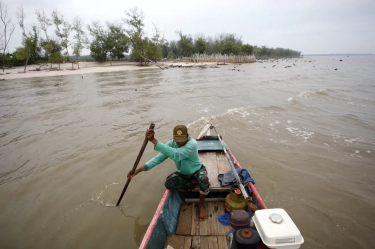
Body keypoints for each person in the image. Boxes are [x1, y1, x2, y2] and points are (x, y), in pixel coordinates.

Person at [127, 125, 210, 220]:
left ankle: (201, 205)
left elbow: (176, 155)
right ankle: (194, 182)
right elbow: (157, 159)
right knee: (168, 183)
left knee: (204, 180)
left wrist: (154, 140)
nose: (179, 142)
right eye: (177, 140)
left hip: (197, 170)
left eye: (182, 139)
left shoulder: (192, 144)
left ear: (187, 136)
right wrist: (137, 171)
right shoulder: (172, 143)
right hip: (183, 174)